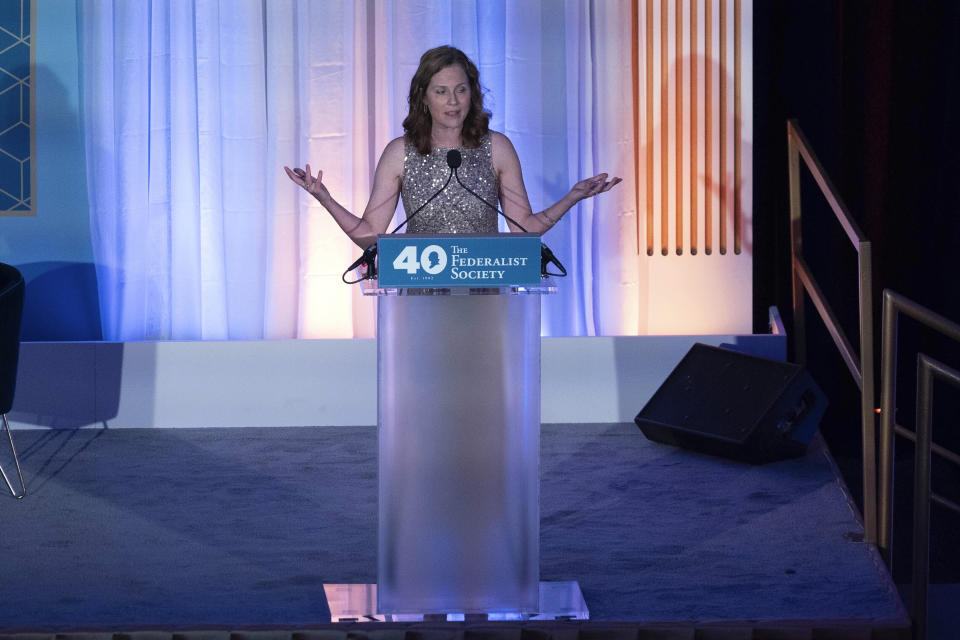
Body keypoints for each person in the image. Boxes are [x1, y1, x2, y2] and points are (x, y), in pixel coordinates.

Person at [284, 45, 621, 249]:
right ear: (424, 97)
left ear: (471, 92)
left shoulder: (498, 148)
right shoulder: (399, 153)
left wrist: (572, 198)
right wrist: (324, 198)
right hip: (421, 298)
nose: (453, 101)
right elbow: (370, 234)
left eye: (461, 90)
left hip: (485, 297)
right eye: (441, 91)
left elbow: (525, 230)